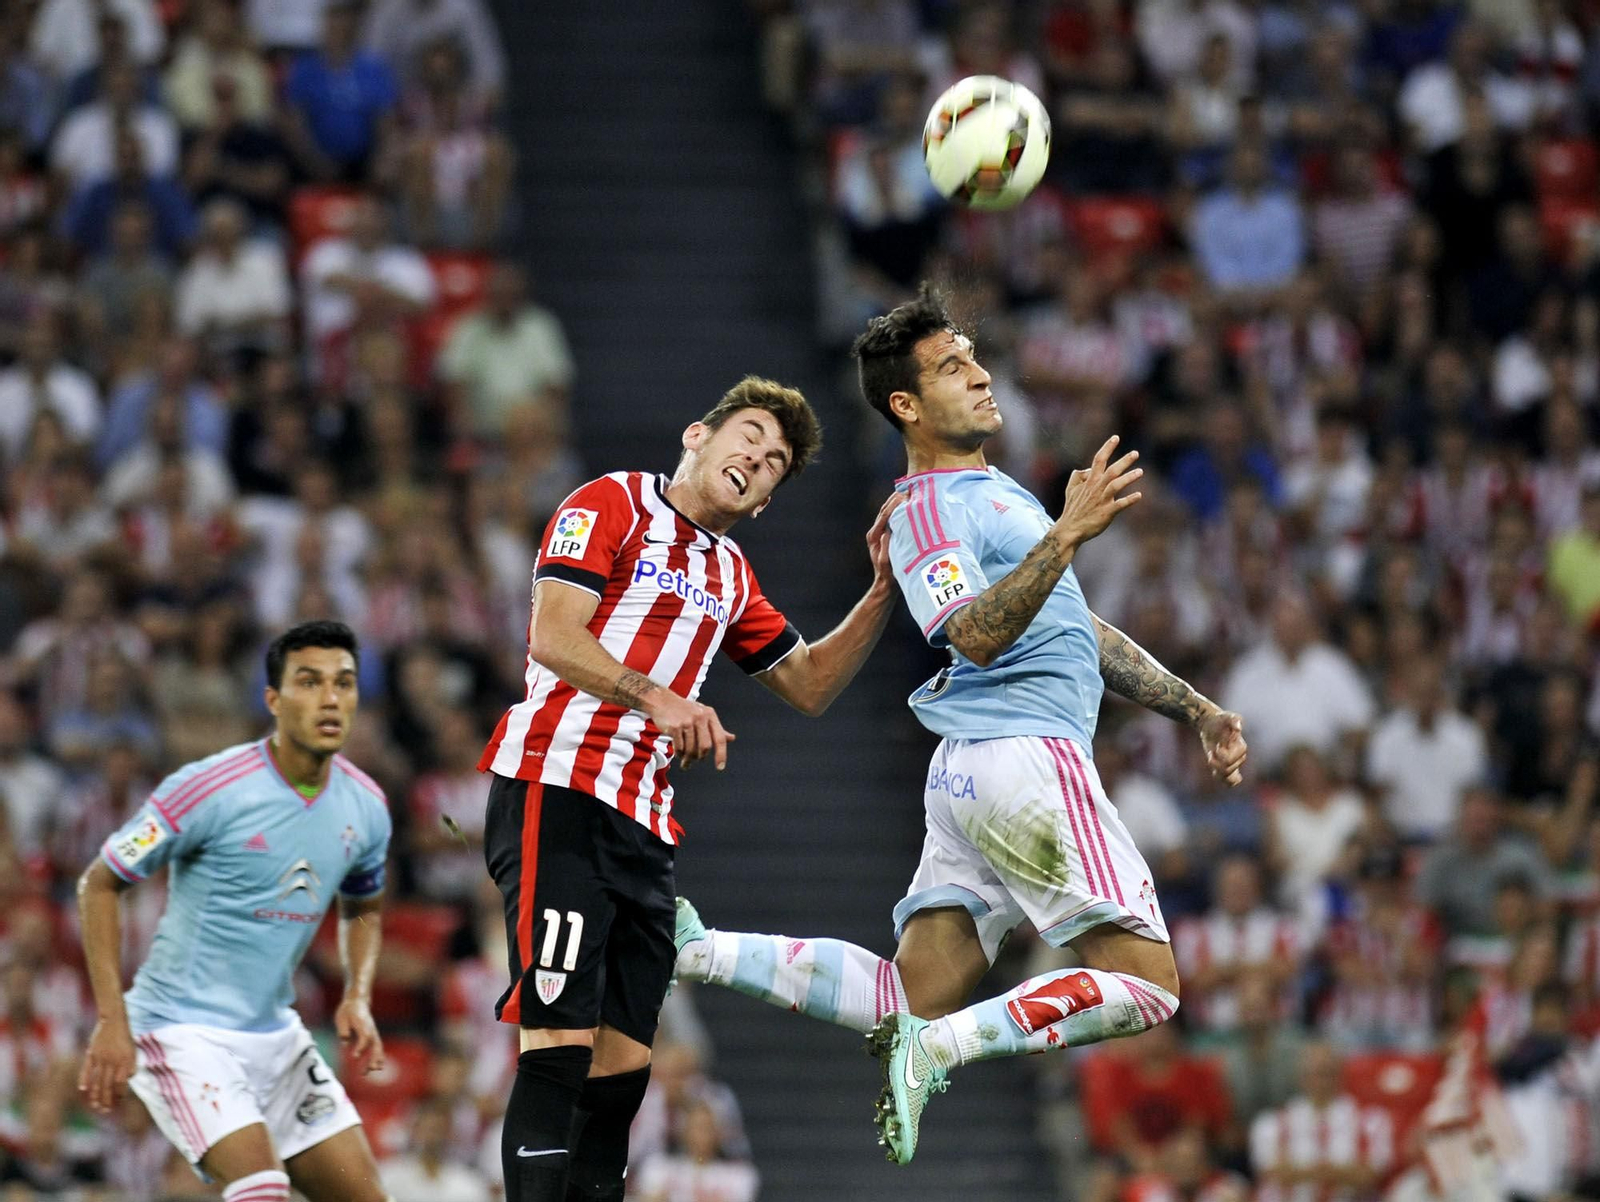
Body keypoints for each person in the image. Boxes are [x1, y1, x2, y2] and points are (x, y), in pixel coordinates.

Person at [673, 286, 1249, 1164]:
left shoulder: (990, 492)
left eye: (974, 358)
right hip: (1025, 760)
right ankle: (940, 1051)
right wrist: (1067, 533)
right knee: (1151, 988)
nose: (982, 377)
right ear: (905, 404)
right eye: (952, 368)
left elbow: (1072, 626)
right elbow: (970, 634)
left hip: (976, 772)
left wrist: (1196, 707)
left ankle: (699, 950)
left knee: (912, 990)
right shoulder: (931, 510)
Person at [478, 375, 900, 1202]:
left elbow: (810, 683)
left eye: (776, 460)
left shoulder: (732, 575)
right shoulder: (613, 502)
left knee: (623, 1073)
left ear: (770, 498)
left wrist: (882, 591)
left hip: (645, 822)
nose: (757, 456)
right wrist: (656, 696)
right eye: (748, 434)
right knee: (558, 1041)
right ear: (695, 436)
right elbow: (553, 634)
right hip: (556, 780)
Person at [75, 620, 396, 1202]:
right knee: (262, 1189)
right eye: (309, 681)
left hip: (275, 1034)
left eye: (344, 683)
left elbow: (364, 903)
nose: (330, 698)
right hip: (181, 1030)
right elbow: (100, 885)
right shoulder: (209, 788)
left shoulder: (367, 806)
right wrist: (110, 1020)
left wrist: (357, 993)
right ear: (273, 700)